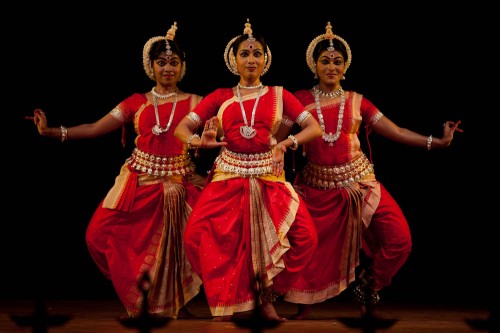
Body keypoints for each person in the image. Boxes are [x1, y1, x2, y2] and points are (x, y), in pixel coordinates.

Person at [282, 21, 463, 319]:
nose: (331, 66)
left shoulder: (357, 101)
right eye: (325, 61)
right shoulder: (299, 99)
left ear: (345, 67)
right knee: (309, 249)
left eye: (337, 61)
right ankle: (304, 303)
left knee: (399, 239)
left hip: (360, 184)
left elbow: (398, 131)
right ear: (314, 65)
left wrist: (438, 141)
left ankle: (369, 285)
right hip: (316, 188)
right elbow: (278, 138)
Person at [25, 22, 205, 319]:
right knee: (97, 234)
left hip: (178, 184)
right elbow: (96, 128)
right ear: (151, 66)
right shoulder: (137, 102)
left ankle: (178, 304)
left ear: (183, 66)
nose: (168, 68)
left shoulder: (197, 102)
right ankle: (144, 294)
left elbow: (230, 128)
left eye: (174, 62)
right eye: (161, 63)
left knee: (178, 247)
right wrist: (52, 132)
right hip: (139, 183)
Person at [174, 19, 323, 322]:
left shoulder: (280, 94)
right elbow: (181, 128)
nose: (251, 59)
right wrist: (198, 141)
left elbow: (314, 127)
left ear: (265, 59)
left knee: (305, 237)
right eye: (244, 54)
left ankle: (265, 298)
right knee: (194, 237)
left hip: (268, 175)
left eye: (257, 54)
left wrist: (285, 144)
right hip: (229, 175)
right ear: (234, 60)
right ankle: (230, 295)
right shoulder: (219, 96)